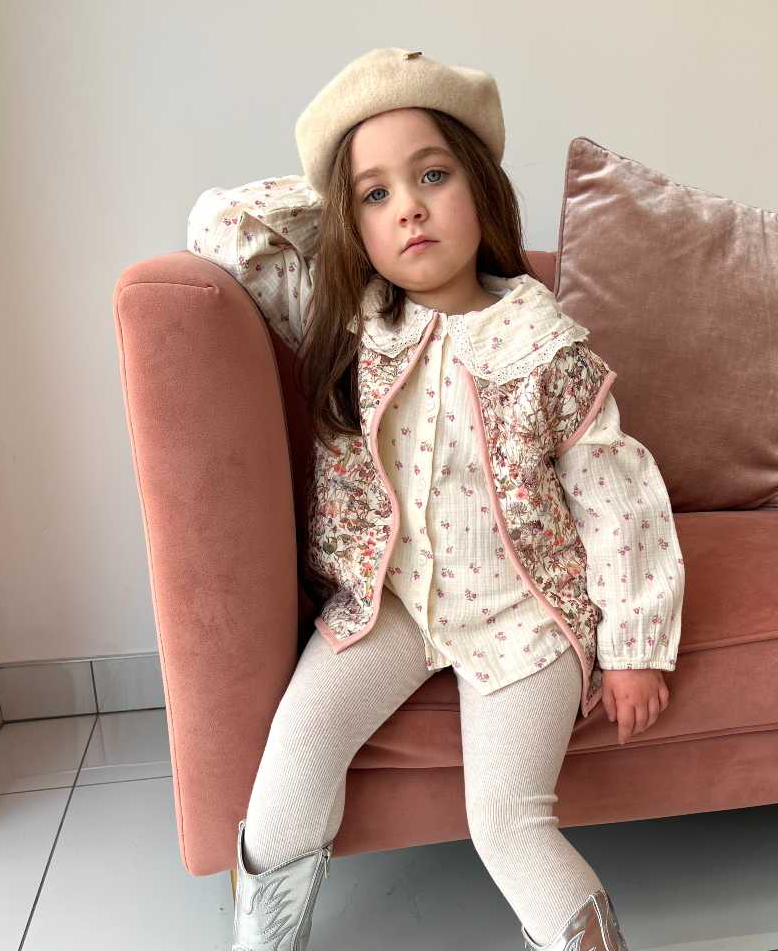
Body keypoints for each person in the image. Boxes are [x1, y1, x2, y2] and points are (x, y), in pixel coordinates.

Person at [195, 47, 685, 951]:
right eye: (375, 196)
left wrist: (634, 645)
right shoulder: (341, 317)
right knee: (294, 765)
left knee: (507, 820)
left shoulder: (547, 342)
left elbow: (617, 497)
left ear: (483, 191)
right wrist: (338, 207)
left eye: (431, 175)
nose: (409, 206)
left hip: (522, 613)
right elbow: (225, 222)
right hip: (383, 605)